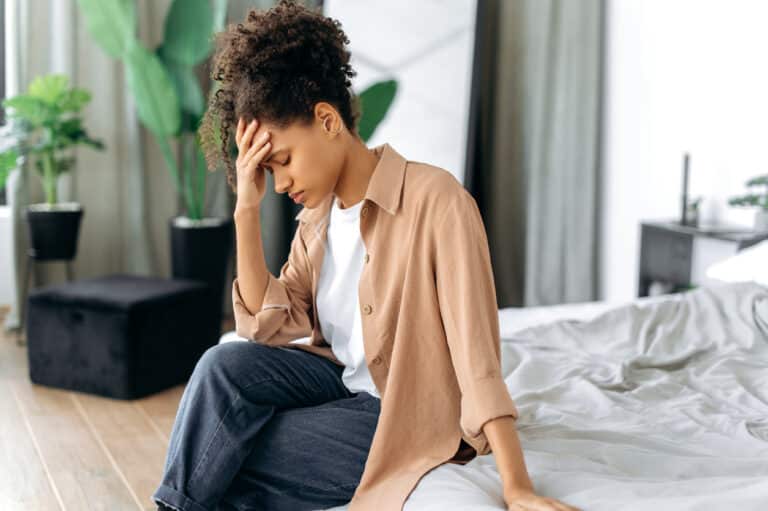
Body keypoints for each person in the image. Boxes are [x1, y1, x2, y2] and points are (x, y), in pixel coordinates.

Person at [153, 1, 582, 510]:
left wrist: (517, 487)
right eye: (270, 169)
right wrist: (246, 209)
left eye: (284, 161)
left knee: (240, 445)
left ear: (329, 120)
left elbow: (477, 356)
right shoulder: (317, 219)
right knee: (221, 365)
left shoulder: (436, 201)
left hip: (400, 414)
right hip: (338, 384)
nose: (281, 181)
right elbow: (266, 327)